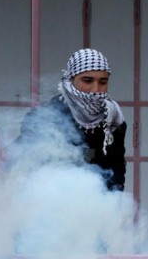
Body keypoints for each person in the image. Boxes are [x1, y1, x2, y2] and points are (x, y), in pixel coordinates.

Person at [16, 48, 127, 192]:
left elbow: (116, 172)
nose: (95, 89)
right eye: (87, 81)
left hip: (96, 207)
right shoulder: (46, 117)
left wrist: (115, 204)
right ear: (71, 80)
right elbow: (25, 166)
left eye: (102, 82)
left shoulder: (113, 120)